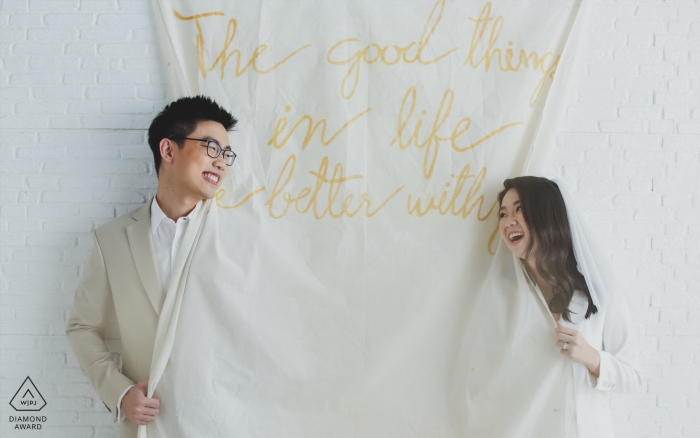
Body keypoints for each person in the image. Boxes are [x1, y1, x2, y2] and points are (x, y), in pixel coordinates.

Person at [65, 95, 238, 438]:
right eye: (212, 148)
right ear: (168, 150)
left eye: (228, 154)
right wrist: (119, 392)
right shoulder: (111, 239)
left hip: (226, 420)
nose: (222, 163)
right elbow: (82, 327)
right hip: (151, 424)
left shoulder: (237, 238)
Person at [496, 176, 643, 437]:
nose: (509, 222)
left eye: (519, 209)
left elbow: (633, 379)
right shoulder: (506, 296)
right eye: (503, 214)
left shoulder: (600, 292)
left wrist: (592, 357)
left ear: (547, 214)